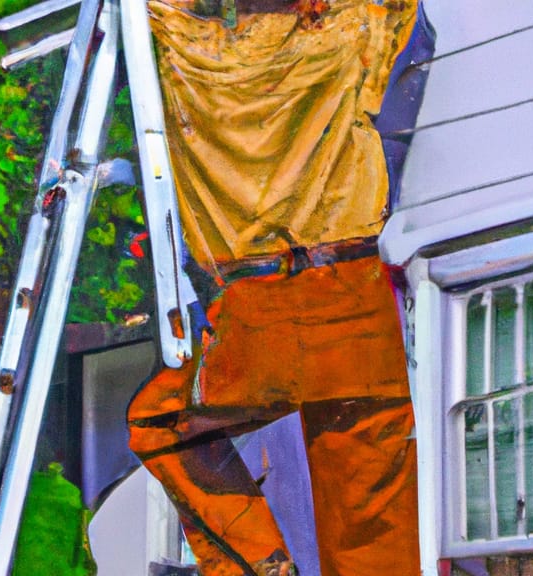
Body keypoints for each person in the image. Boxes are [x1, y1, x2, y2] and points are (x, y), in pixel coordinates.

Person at [127, 1, 423, 574]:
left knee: (160, 420)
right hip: (358, 302)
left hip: (260, 308)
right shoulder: (351, 32)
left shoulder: (187, 50)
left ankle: (260, 563)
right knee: (373, 525)